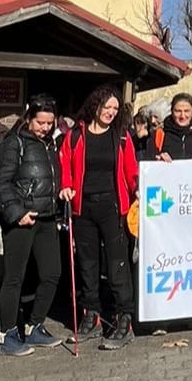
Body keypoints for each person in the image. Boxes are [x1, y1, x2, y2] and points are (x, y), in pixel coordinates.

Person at [60, 85, 140, 351]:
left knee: (118, 264)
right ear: (95, 105)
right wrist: (66, 185)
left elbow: (131, 169)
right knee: (87, 264)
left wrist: (137, 186)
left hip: (114, 208)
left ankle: (123, 319)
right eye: (107, 107)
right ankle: (91, 316)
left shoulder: (121, 136)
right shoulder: (75, 135)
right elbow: (66, 166)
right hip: (82, 208)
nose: (110, 112)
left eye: (115, 108)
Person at [0, 96, 68, 358]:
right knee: (15, 277)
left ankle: (35, 324)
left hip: (47, 217)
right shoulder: (14, 142)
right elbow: (2, 183)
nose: (45, 127)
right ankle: (8, 334)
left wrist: (61, 195)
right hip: (22, 219)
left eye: (50, 123)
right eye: (40, 122)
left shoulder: (50, 144)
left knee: (52, 274)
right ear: (29, 118)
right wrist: (16, 213)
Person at [145, 93, 192, 162]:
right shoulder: (159, 135)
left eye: (186, 111)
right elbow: (148, 164)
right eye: (178, 111)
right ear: (171, 112)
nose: (182, 116)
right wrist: (159, 160)